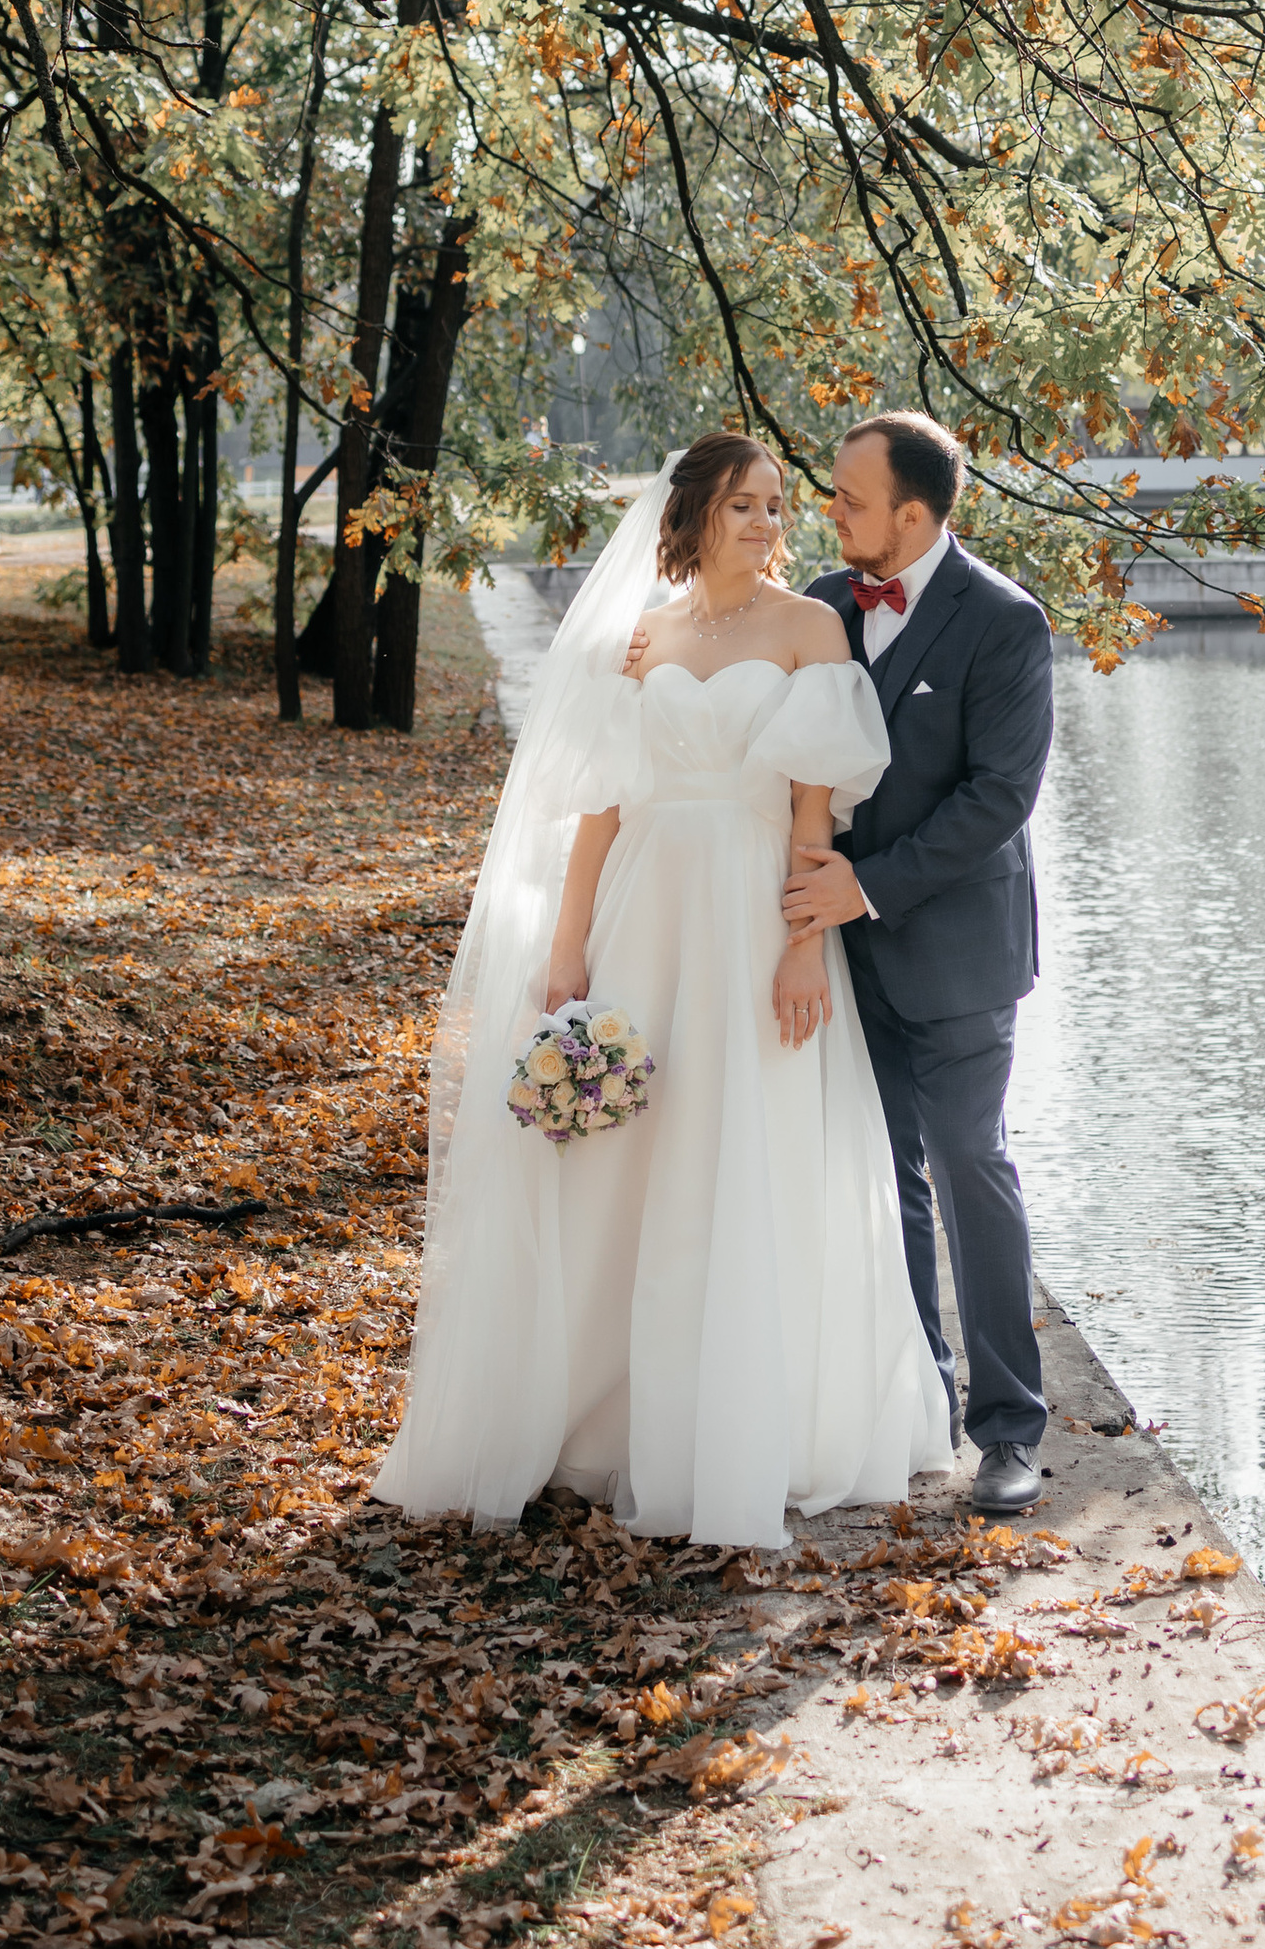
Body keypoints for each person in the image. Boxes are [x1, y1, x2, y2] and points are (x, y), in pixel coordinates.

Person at [373, 435, 951, 1550]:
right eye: (744, 506)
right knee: (623, 1150)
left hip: (747, 917)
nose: (767, 524)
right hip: (644, 910)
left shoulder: (809, 629)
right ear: (693, 515)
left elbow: (811, 818)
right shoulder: (644, 635)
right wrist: (568, 946)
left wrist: (798, 949)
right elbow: (601, 807)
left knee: (742, 1144)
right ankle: (605, 1415)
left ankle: (740, 1423)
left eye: (778, 506)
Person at [780, 412, 1056, 1517]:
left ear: (914, 511)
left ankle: (1009, 1431)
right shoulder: (820, 602)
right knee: (882, 1177)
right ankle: (917, 1403)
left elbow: (999, 795)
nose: (830, 514)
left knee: (968, 1167)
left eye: (849, 498)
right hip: (842, 956)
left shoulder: (1002, 622)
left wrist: (871, 882)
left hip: (956, 952)